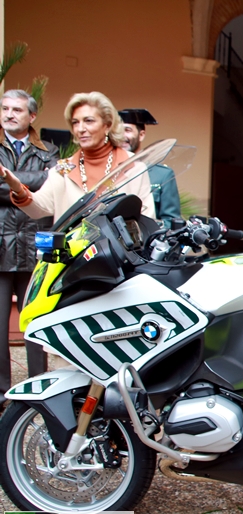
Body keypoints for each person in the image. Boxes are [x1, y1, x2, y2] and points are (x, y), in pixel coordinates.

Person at [2, 92, 155, 221]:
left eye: (88, 121)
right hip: (72, 255)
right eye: (75, 122)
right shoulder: (63, 169)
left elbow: (146, 218)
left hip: (120, 255)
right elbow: (40, 209)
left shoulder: (133, 167)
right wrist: (18, 189)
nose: (80, 129)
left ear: (107, 125)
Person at [0, 89, 58, 404]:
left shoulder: (49, 150)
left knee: (35, 324)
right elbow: (40, 184)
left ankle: (38, 389)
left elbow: (52, 187)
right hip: (1, 244)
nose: (9, 114)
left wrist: (9, 179)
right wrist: (32, 181)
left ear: (31, 116)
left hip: (35, 244)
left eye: (17, 110)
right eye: (5, 108)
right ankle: (1, 393)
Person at [119, 108, 181, 227]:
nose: (122, 136)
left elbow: (171, 222)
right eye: (117, 132)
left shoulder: (162, 175)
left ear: (141, 135)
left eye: (127, 130)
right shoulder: (109, 172)